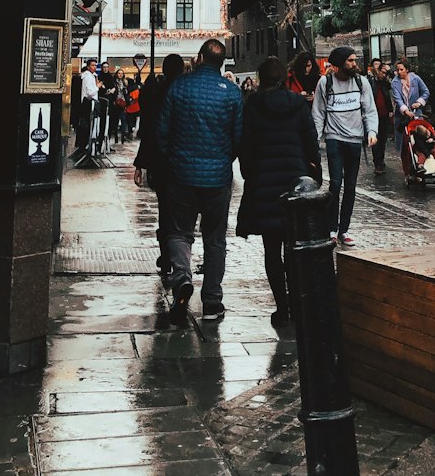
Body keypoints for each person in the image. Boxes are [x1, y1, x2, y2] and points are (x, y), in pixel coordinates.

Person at [157, 38, 243, 323]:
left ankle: (182, 277)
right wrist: (223, 160)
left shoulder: (179, 87)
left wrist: (168, 161)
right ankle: (212, 302)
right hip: (217, 177)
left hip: (181, 175)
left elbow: (162, 134)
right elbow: (238, 138)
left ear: (200, 58)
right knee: (215, 239)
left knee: (179, 232)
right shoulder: (232, 93)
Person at [236, 57, 321, 326]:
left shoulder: (253, 105)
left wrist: (250, 174)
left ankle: (282, 307)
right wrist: (313, 174)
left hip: (264, 182)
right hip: (295, 180)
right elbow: (310, 140)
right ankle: (298, 303)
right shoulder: (297, 103)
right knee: (294, 248)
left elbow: (245, 144)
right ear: (284, 77)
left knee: (271, 250)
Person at [312, 47, 377, 247]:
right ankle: (331, 228)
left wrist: (372, 131)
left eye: (354, 60)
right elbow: (318, 112)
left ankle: (344, 229)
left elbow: (369, 109)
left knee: (350, 187)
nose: (354, 64)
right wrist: (314, 138)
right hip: (334, 139)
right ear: (339, 64)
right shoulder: (325, 82)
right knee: (335, 184)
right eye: (350, 61)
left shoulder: (361, 82)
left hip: (355, 140)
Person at [133, 54, 186, 279]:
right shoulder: (185, 92)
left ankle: (167, 256)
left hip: (161, 162)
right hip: (184, 161)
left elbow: (148, 129)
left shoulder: (155, 94)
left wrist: (140, 163)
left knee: (165, 210)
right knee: (183, 214)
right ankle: (180, 260)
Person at [390, 58, 430, 162]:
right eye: (397, 70)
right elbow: (397, 99)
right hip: (402, 116)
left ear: (407, 69)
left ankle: (420, 161)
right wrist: (405, 111)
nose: (399, 72)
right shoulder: (395, 82)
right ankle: (407, 168)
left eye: (401, 69)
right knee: (405, 144)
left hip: (416, 113)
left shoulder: (416, 79)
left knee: (419, 139)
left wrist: (419, 102)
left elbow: (425, 91)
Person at [366, 58, 393, 173]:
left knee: (383, 139)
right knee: (374, 138)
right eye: (375, 65)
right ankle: (377, 163)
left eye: (380, 67)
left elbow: (393, 83)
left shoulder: (385, 82)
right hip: (373, 114)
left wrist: (389, 71)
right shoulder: (370, 80)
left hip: (384, 113)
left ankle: (380, 160)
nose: (379, 70)